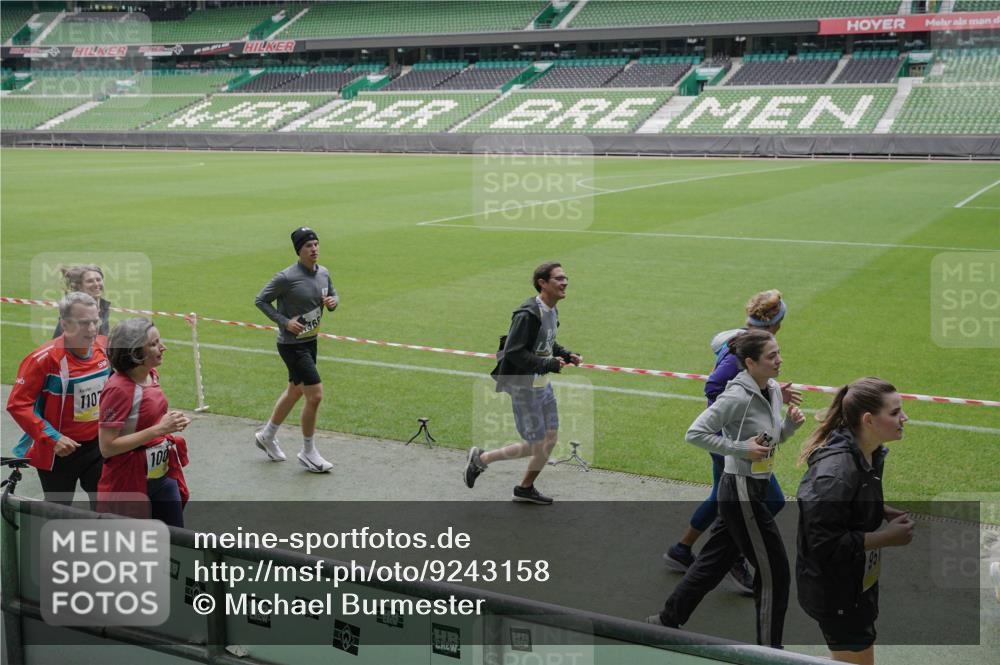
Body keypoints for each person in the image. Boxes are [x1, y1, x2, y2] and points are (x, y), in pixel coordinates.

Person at [648, 329, 805, 648]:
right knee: (775, 573)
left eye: (779, 352)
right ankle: (770, 651)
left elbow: (766, 442)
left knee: (713, 561)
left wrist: (788, 426)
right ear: (750, 362)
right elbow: (695, 433)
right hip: (741, 491)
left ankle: (665, 620)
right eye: (772, 356)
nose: (780, 360)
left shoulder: (772, 389)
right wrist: (738, 448)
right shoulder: (735, 396)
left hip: (754, 489)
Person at [664, 290, 801, 595]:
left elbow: (749, 382)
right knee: (772, 499)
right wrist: (730, 426)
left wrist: (774, 391)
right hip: (730, 438)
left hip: (731, 436)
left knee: (720, 497)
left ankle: (682, 550)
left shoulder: (743, 339)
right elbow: (715, 386)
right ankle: (733, 555)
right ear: (777, 322)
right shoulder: (738, 350)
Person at [796, 377, 914, 664]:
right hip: (837, 592)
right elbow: (824, 545)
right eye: (895, 412)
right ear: (868, 420)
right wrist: (888, 537)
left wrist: (880, 510)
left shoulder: (870, 453)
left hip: (854, 582)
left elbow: (850, 501)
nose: (904, 418)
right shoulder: (835, 473)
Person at [463, 262, 581, 505]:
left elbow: (546, 342)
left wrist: (566, 355)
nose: (564, 282)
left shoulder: (551, 310)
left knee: (549, 439)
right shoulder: (527, 314)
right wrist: (549, 364)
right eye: (558, 278)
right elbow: (515, 352)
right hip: (524, 386)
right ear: (543, 283)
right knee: (536, 445)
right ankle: (481, 459)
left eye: (565, 278)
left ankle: (525, 488)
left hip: (542, 384)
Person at [7, 292, 111, 506]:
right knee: (58, 512)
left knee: (106, 507)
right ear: (64, 324)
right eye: (84, 323)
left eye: (95, 321)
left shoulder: (104, 348)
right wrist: (53, 438)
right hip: (59, 452)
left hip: (97, 447)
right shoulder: (43, 360)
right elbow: (18, 405)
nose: (92, 329)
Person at [254, 227, 338, 473]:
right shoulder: (287, 277)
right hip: (292, 345)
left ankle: (267, 435)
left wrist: (334, 302)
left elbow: (332, 295)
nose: (314, 249)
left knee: (294, 391)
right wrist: (284, 322)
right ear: (299, 250)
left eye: (316, 244)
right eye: (308, 246)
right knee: (315, 395)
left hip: (311, 341)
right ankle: (308, 452)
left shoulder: (323, 273)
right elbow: (261, 300)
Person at [97, 318, 191, 527]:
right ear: (135, 351)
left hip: (162, 476)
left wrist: (171, 422)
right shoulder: (118, 390)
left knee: (173, 539)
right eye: (154, 344)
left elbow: (145, 417)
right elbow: (107, 448)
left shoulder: (151, 374)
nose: (163, 347)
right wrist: (161, 428)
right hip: (128, 481)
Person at [52, 264, 111, 338]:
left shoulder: (103, 307)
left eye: (98, 280)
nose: (96, 284)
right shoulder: (74, 311)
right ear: (80, 286)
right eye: (90, 281)